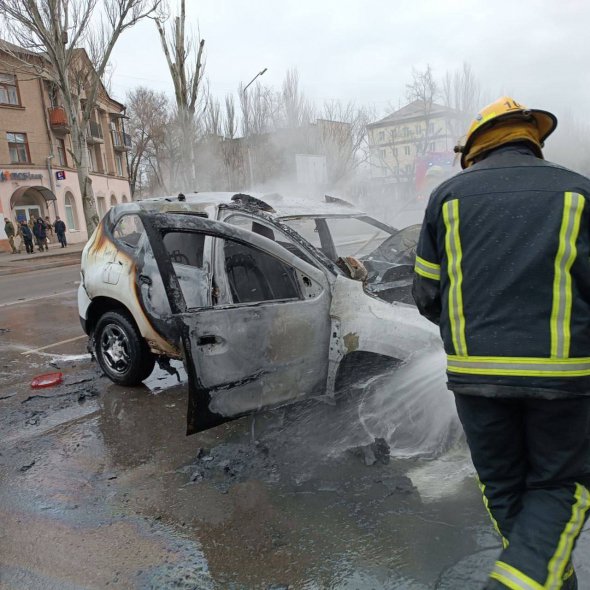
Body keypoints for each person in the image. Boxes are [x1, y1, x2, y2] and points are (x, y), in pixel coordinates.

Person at [413, 97, 590, 590]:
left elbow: (426, 294)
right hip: (564, 379)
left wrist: (473, 337)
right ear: (532, 138)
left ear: (474, 147)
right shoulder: (579, 193)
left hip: (476, 380)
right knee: (561, 489)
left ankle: (547, 582)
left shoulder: (446, 199)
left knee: (504, 489)